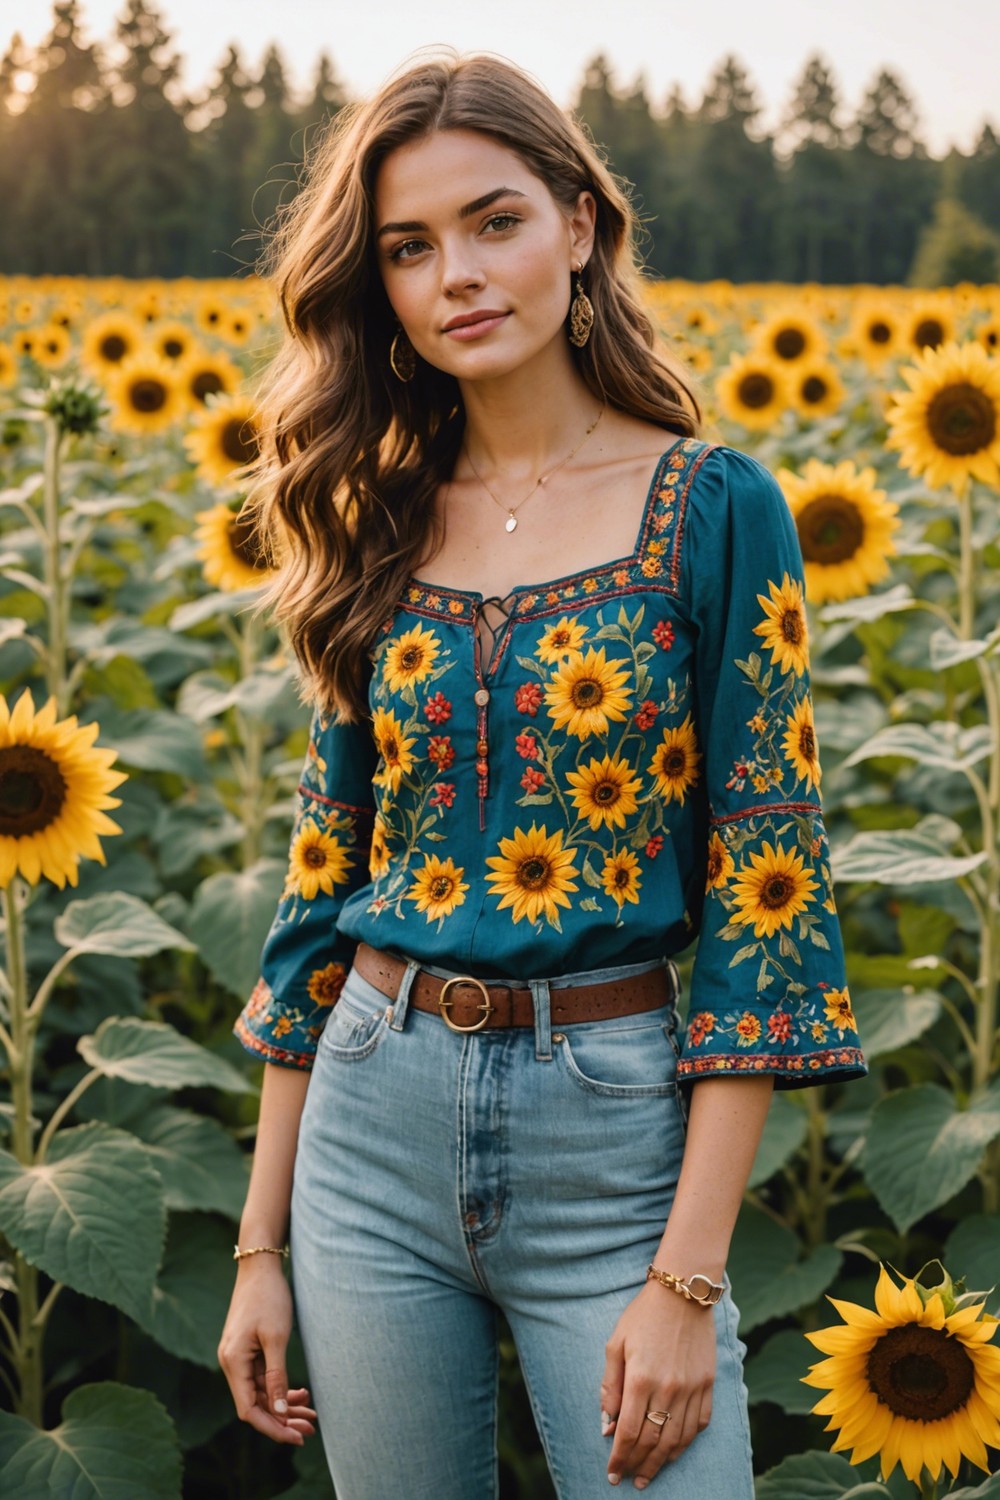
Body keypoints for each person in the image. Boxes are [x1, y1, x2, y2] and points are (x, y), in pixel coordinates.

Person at [217, 48, 868, 1499]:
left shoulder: (713, 506)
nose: (456, 272)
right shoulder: (376, 516)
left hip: (616, 1141)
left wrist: (689, 1284)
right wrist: (260, 1249)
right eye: (408, 246)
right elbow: (322, 891)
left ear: (580, 225)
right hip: (367, 1132)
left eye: (495, 221)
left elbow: (770, 894)